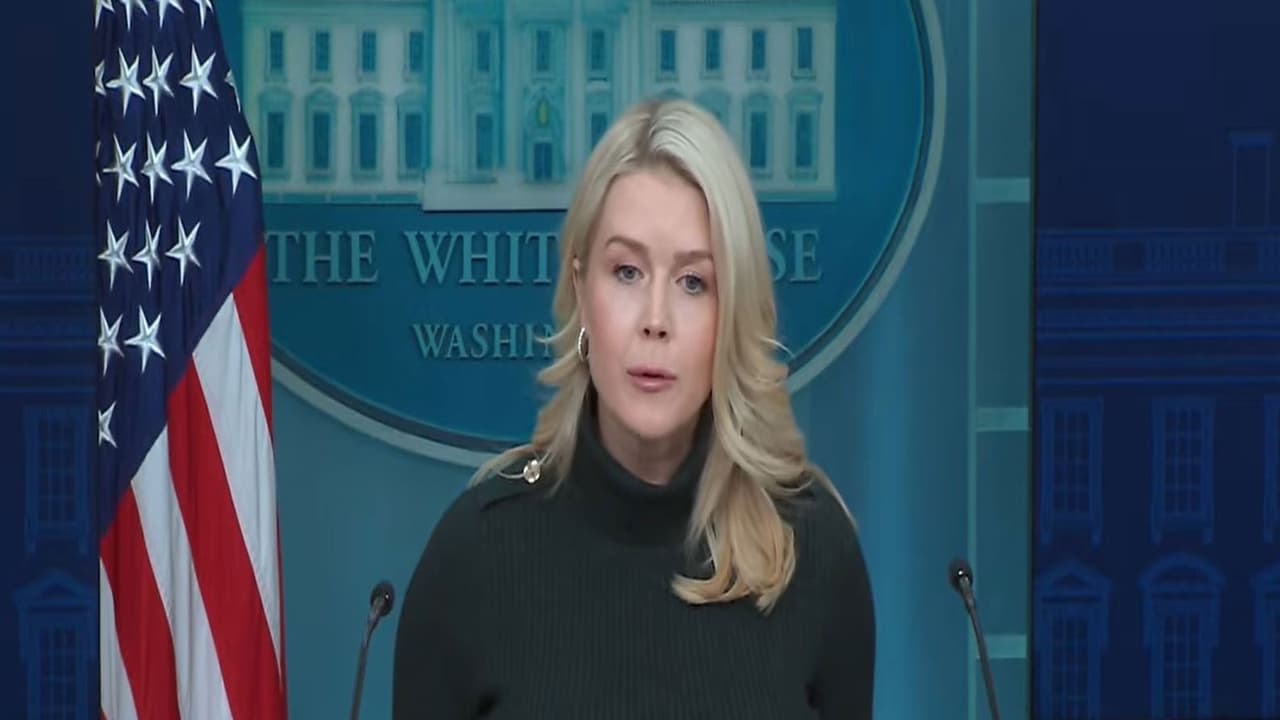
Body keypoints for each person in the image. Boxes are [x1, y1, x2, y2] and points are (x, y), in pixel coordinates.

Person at [392, 97, 875, 718]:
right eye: (626, 272)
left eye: (693, 282)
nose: (655, 319)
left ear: (731, 312)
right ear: (580, 289)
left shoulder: (812, 552)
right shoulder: (474, 555)